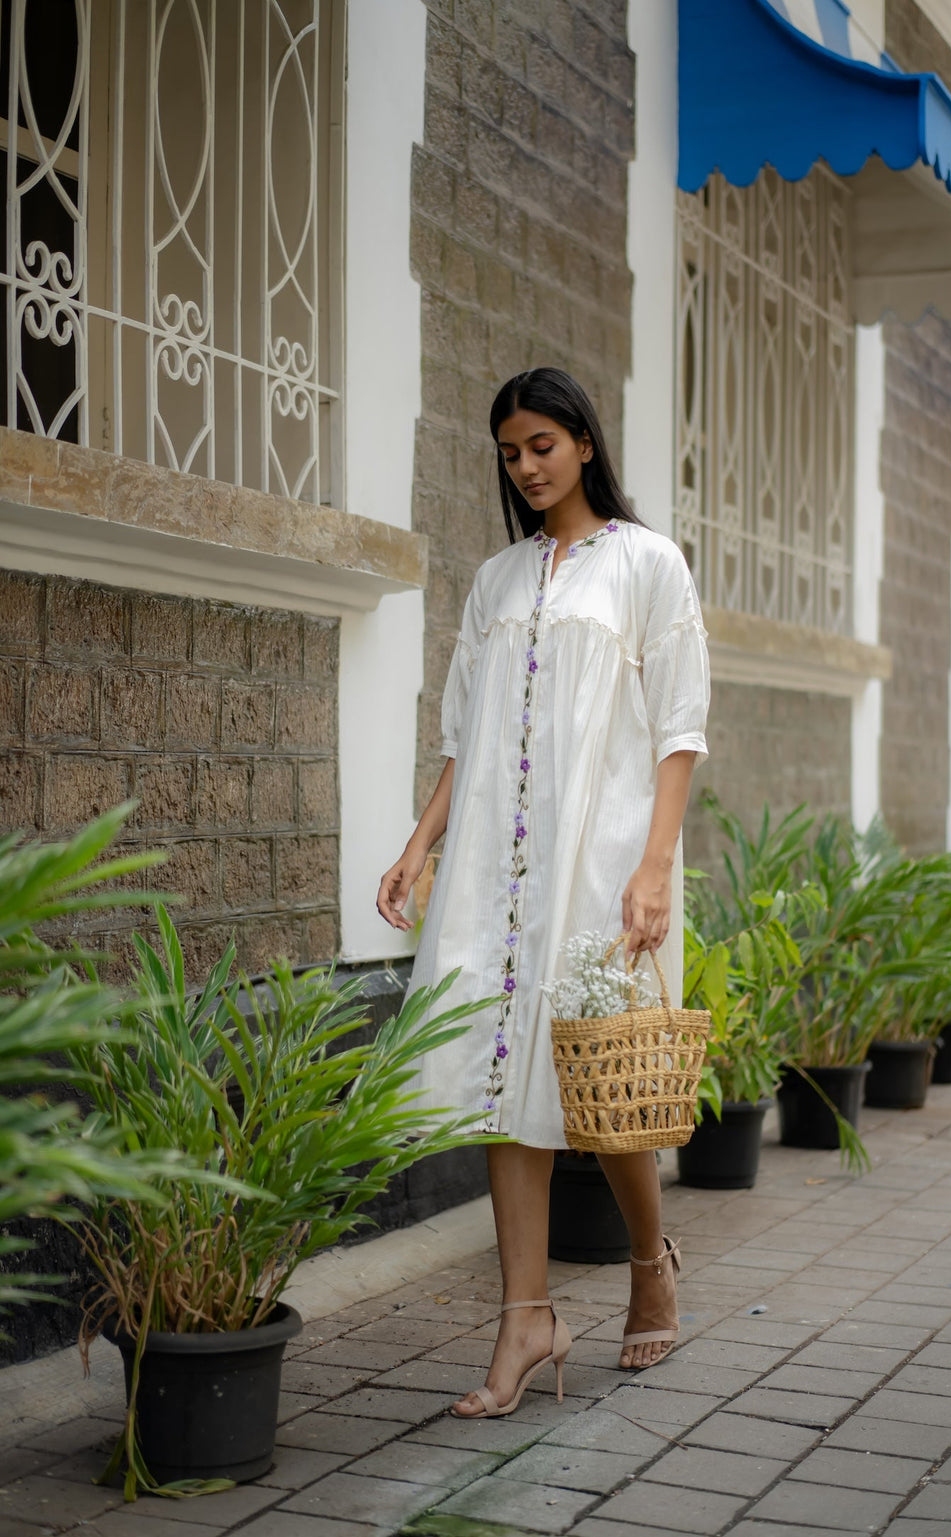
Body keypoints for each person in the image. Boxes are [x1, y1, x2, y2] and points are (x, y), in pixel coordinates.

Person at [377, 367, 710, 1419]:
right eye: (510, 452)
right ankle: (525, 1316)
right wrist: (420, 845)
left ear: (583, 442)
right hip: (494, 864)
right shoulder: (495, 581)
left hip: (602, 859)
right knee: (500, 1078)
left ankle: (649, 1260)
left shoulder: (648, 564)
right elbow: (463, 733)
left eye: (541, 445)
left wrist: (653, 866)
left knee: (601, 1082)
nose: (525, 467)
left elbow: (679, 729)